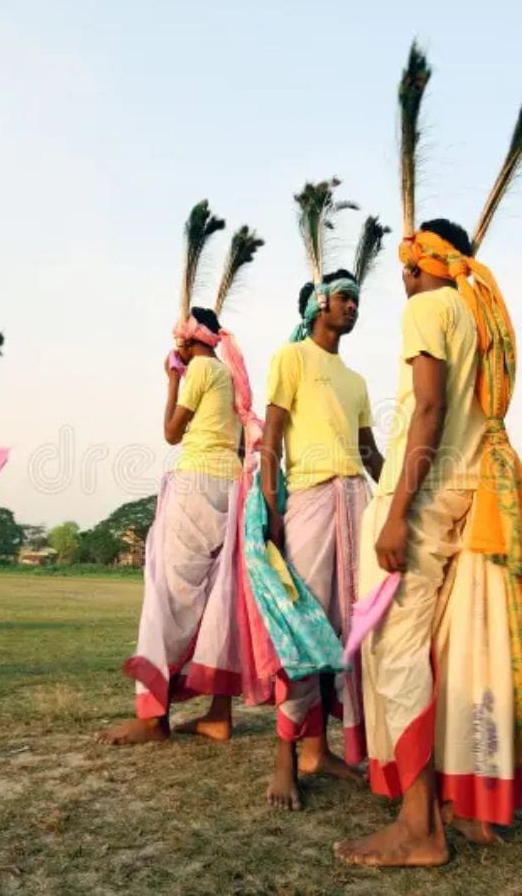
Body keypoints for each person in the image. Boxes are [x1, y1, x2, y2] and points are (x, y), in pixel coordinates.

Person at [336, 222, 522, 866]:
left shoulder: (428, 306)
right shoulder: (482, 314)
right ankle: (457, 803)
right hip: (465, 495)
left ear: (422, 263)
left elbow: (428, 410)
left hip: (420, 495)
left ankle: (419, 829)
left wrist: (395, 512)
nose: (403, 273)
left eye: (407, 261)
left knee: (394, 649)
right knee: (449, 644)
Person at [261, 269, 384, 811]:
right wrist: (270, 506)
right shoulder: (290, 359)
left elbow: (370, 454)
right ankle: (285, 761)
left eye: (358, 299)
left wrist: (409, 491)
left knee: (347, 629)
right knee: (304, 626)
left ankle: (320, 751)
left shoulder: (356, 380)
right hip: (308, 501)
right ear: (316, 305)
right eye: (344, 297)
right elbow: (269, 445)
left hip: (356, 502)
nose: (353, 306)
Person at [98, 307, 246, 745]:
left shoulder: (200, 370)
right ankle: (218, 715)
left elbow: (171, 433)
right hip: (231, 485)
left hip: (197, 483)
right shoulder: (232, 373)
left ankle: (153, 720)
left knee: (169, 595)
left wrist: (172, 379)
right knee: (221, 600)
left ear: (185, 339)